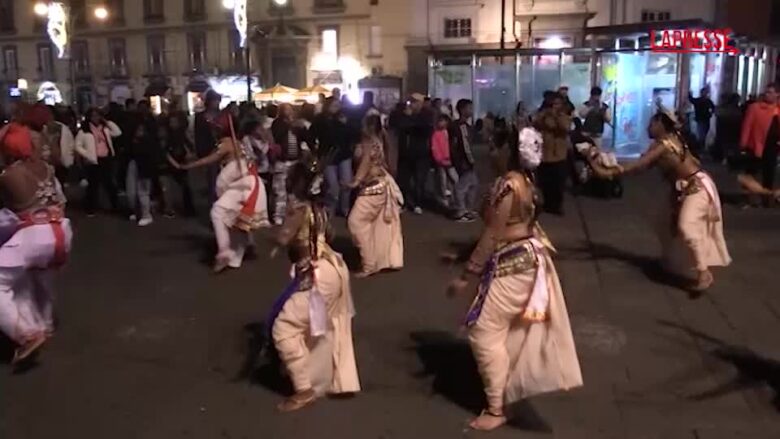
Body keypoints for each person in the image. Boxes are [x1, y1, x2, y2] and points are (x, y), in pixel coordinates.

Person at [446, 124, 582, 431]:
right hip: (527, 259)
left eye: (495, 145)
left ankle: (497, 408)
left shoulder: (509, 185)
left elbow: (492, 234)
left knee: (482, 332)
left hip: (514, 263)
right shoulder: (525, 181)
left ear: (509, 151)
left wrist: (466, 276)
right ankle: (507, 391)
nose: (491, 151)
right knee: (503, 332)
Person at [597, 112, 732, 291]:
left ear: (660, 123)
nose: (648, 127)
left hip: (696, 187)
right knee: (663, 224)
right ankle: (671, 261)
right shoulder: (664, 142)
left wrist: (611, 172)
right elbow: (641, 167)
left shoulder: (665, 144)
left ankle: (703, 272)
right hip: (682, 188)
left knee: (686, 226)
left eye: (651, 123)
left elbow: (638, 165)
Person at [268, 159, 360, 412]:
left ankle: (304, 389)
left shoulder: (298, 208)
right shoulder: (319, 208)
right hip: (333, 267)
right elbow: (327, 235)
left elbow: (284, 236)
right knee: (321, 325)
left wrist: (276, 238)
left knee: (284, 328)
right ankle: (320, 375)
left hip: (317, 274)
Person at [0, 121, 73, 365]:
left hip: (35, 234)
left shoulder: (9, 175)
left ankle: (28, 334)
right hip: (61, 230)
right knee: (38, 277)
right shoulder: (46, 168)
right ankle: (45, 325)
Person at [178, 110, 270, 272]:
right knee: (237, 220)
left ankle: (224, 250)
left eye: (216, 126)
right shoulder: (240, 142)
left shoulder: (228, 142)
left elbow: (210, 159)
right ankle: (241, 252)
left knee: (218, 211)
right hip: (251, 183)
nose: (214, 128)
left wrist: (188, 166)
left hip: (243, 183)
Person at [347, 115, 404, 277]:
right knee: (375, 226)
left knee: (356, 222)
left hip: (373, 188)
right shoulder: (379, 140)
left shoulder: (369, 141)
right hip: (380, 185)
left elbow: (365, 161)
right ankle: (376, 260)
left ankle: (369, 263)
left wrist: (355, 181)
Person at [75, 108, 121, 216]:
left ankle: (115, 206)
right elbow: (77, 145)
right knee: (93, 185)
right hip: (93, 160)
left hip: (106, 158)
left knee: (109, 184)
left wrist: (107, 122)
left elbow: (117, 132)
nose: (96, 118)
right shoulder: (84, 131)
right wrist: (87, 154)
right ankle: (90, 208)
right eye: (93, 116)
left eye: (98, 116)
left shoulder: (105, 129)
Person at [310, 97, 352, 217]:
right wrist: (315, 149)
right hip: (328, 155)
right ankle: (331, 208)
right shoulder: (320, 119)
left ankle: (345, 208)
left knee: (347, 182)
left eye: (338, 105)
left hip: (344, 154)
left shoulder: (344, 117)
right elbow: (311, 135)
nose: (336, 107)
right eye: (334, 105)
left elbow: (352, 133)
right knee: (332, 186)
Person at [740, 83, 780, 207]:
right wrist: (743, 144)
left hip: (772, 146)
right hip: (756, 146)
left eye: (770, 92)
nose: (767, 94)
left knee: (769, 174)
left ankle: (766, 199)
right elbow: (747, 126)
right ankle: (749, 198)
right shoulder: (755, 108)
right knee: (751, 173)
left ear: (777, 94)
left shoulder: (777, 109)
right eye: (766, 92)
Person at [271, 103, 311, 225]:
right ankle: (278, 216)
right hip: (282, 161)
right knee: (280, 190)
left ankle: (292, 215)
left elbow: (305, 138)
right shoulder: (278, 123)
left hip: (295, 161)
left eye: (290, 109)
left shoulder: (298, 125)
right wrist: (290, 125)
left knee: (294, 191)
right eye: (286, 110)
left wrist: (301, 129)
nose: (289, 112)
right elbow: (277, 135)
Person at [534, 93, 572, 215]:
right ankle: (548, 204)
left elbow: (565, 127)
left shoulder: (563, 116)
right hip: (545, 154)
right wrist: (545, 114)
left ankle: (557, 206)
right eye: (552, 104)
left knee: (558, 183)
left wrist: (556, 115)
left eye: (557, 104)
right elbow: (536, 123)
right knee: (546, 183)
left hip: (559, 155)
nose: (554, 106)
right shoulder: (544, 115)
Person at [162, 112, 196, 216]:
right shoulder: (168, 135)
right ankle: (170, 208)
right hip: (171, 163)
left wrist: (188, 156)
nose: (173, 124)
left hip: (180, 162)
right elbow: (165, 151)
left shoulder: (181, 134)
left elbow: (190, 147)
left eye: (175, 122)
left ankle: (187, 209)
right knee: (168, 187)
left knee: (184, 186)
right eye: (171, 122)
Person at [450, 99, 478, 222]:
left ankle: (467, 209)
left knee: (473, 185)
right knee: (461, 187)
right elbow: (465, 145)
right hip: (464, 161)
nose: (471, 110)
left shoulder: (462, 125)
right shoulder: (461, 126)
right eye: (469, 108)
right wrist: (470, 159)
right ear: (462, 110)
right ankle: (461, 210)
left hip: (463, 161)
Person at [125, 123, 158, 226]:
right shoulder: (132, 141)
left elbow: (150, 158)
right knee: (132, 192)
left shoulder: (148, 143)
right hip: (134, 165)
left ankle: (146, 215)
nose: (139, 132)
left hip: (144, 169)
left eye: (142, 130)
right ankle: (136, 211)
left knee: (143, 193)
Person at [194, 90, 222, 203]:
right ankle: (214, 208)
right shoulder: (200, 117)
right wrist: (201, 155)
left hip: (223, 150)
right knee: (213, 181)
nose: (216, 103)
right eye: (214, 100)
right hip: (210, 151)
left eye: (218, 100)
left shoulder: (222, 116)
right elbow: (199, 137)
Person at [431, 114, 458, 208]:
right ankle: (444, 199)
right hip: (441, 162)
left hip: (450, 161)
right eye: (440, 121)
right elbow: (435, 148)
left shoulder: (449, 133)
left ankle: (454, 198)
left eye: (443, 121)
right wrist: (439, 159)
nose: (442, 123)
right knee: (442, 181)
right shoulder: (436, 134)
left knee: (454, 179)